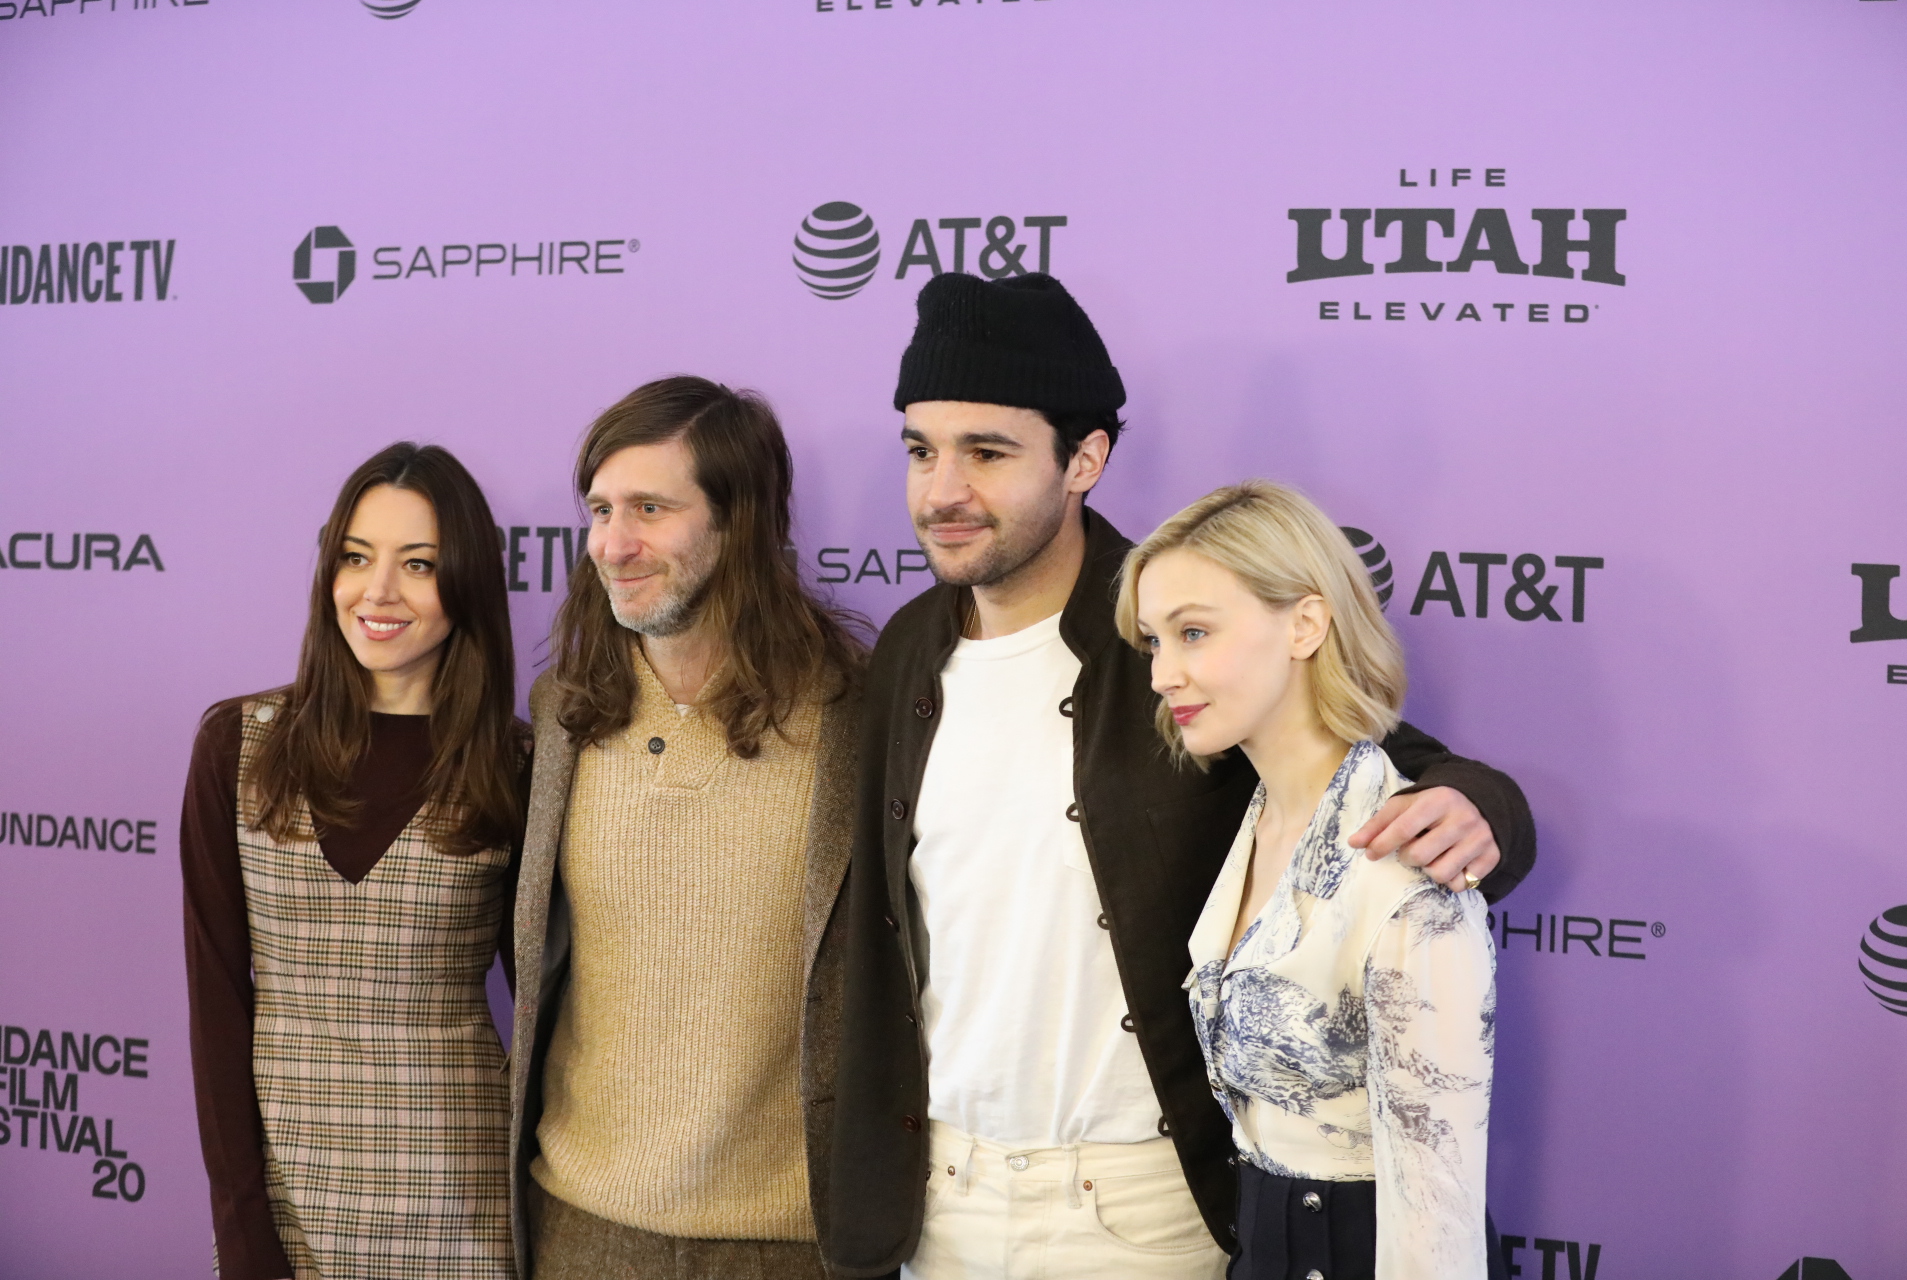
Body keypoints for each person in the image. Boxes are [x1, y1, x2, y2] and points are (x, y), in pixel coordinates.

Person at [827, 272, 1535, 1279]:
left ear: (1085, 459)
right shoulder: (906, 649)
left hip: (1144, 1209)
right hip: (939, 1198)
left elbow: (1375, 759)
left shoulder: (1167, 628)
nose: (943, 490)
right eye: (920, 450)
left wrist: (1480, 806)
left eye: (987, 452)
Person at [506, 376, 868, 1280]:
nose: (612, 544)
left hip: (791, 1245)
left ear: (738, 522)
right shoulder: (563, 716)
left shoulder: (855, 717)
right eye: (600, 510)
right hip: (579, 1228)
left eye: (651, 509)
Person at [1119, 480, 1497, 1280]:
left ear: (1305, 624)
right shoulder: (1255, 819)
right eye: (1154, 641)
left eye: (1194, 632)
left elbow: (1439, 1207)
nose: (1162, 674)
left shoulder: (1402, 860)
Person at [182, 443, 528, 1280]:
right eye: (356, 557)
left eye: (419, 564)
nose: (377, 592)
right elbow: (216, 1002)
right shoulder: (238, 744)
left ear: (467, 583)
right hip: (285, 1201)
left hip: (467, 1201)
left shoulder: (517, 765)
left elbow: (552, 1010)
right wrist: (242, 1224)